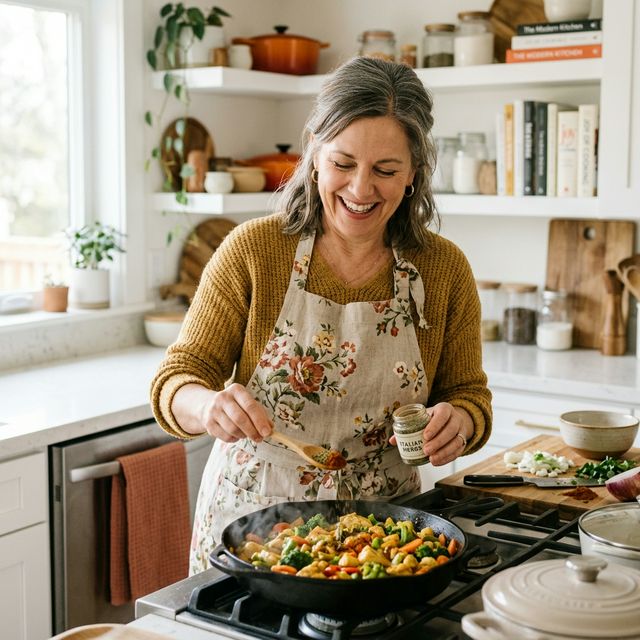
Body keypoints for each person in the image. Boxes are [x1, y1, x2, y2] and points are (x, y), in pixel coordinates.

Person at [150, 56, 492, 574]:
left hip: (389, 537)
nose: (360, 189)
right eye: (343, 163)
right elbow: (178, 379)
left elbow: (468, 393)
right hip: (256, 528)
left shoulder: (443, 269)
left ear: (414, 175)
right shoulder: (254, 251)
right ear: (314, 154)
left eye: (385, 170)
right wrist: (207, 408)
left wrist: (462, 421)